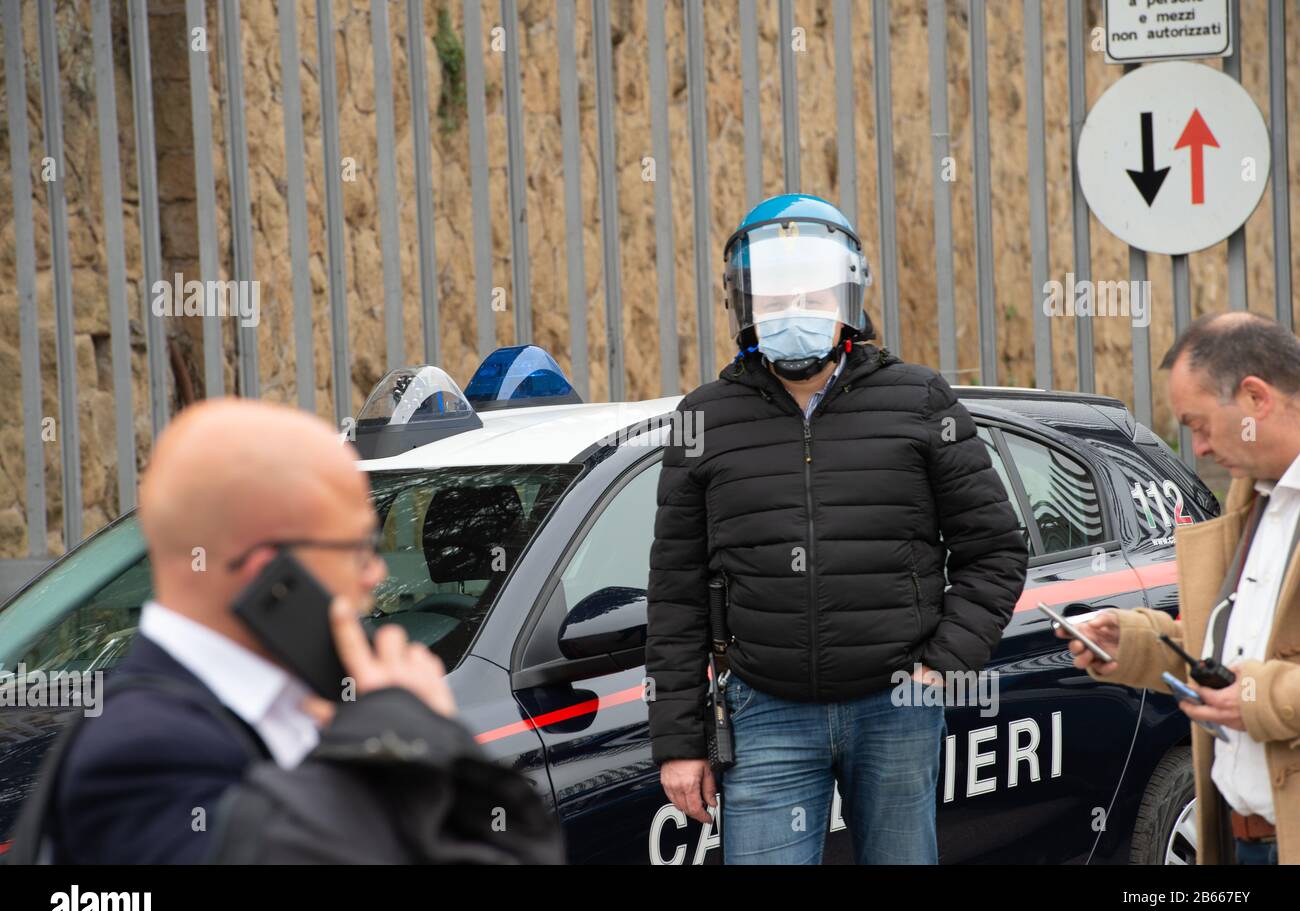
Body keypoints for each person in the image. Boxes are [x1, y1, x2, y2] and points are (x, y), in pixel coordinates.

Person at [7, 398, 560, 864]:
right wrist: (406, 734)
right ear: (271, 572)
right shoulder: (144, 748)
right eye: (358, 549)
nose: (376, 575)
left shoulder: (308, 707)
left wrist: (427, 733)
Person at [646, 193, 1027, 864]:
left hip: (897, 708)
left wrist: (943, 666)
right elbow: (675, 592)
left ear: (847, 296)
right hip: (765, 711)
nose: (794, 312)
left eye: (812, 295)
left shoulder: (920, 400)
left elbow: (994, 549)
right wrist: (678, 741)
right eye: (776, 298)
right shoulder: (703, 418)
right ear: (746, 305)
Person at [1059, 312, 1300, 865]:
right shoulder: (1254, 499)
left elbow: (1251, 684)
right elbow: (1233, 651)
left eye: (1199, 424)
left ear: (1255, 398)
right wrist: (1137, 643)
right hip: (1244, 840)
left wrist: (1257, 698)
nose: (1197, 450)